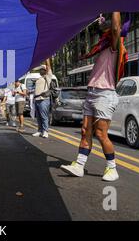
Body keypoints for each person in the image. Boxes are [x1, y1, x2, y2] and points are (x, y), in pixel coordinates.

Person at [61, 12, 125, 182]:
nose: (102, 24)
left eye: (106, 23)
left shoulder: (115, 46)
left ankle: (112, 169)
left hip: (105, 94)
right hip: (92, 93)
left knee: (101, 134)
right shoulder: (102, 47)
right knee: (85, 131)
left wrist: (116, 4)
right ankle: (79, 166)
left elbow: (116, 27)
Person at [31, 60, 53, 139]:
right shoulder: (39, 79)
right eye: (40, 70)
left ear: (45, 70)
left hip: (44, 99)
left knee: (44, 116)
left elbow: (49, 67)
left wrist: (47, 60)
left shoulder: (48, 76)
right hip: (37, 100)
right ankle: (40, 130)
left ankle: (45, 131)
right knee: (39, 117)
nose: (40, 71)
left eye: (42, 69)